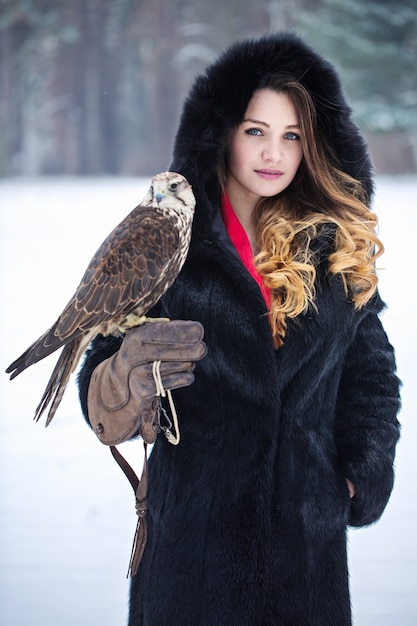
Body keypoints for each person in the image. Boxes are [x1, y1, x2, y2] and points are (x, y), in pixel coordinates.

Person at [78, 32, 401, 625]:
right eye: (256, 131)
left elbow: (371, 372)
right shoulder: (169, 239)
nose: (272, 153)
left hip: (306, 561)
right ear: (222, 131)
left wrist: (361, 470)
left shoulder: (337, 246)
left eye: (291, 135)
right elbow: (97, 375)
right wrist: (122, 379)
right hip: (190, 558)